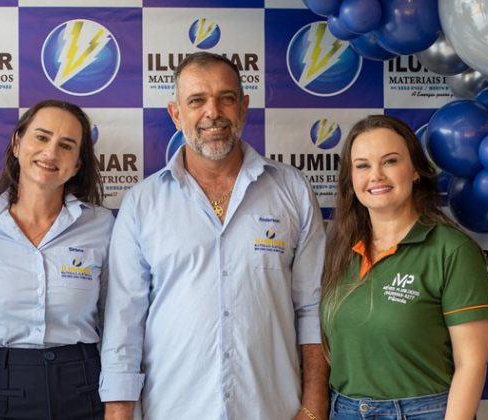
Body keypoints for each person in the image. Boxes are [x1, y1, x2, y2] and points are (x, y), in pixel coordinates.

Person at [99, 52, 329, 419]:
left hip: (272, 410)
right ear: (176, 114)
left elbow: (312, 309)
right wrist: (118, 412)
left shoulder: (293, 190)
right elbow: (124, 323)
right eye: (196, 101)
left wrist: (314, 405)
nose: (213, 112)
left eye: (226, 98)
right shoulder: (142, 203)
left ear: (244, 107)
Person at [0, 99, 114, 419]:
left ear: (77, 165)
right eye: (41, 137)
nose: (51, 152)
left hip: (85, 386)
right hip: (2, 388)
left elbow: (118, 322)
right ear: (16, 143)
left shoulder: (102, 225)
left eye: (66, 145)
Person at [321, 115, 488, 419]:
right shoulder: (339, 250)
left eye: (390, 161)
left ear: (415, 170)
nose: (376, 175)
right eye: (362, 166)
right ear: (351, 178)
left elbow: (471, 364)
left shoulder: (452, 250)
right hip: (344, 410)